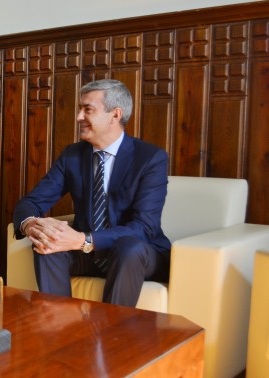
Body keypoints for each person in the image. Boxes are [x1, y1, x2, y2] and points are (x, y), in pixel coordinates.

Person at [12, 79, 171, 307]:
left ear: (115, 115)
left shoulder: (150, 158)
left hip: (137, 254)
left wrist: (84, 240)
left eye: (88, 110)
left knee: (128, 247)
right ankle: (60, 331)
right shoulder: (72, 155)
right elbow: (31, 201)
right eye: (80, 109)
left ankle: (112, 337)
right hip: (88, 255)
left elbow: (144, 227)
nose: (78, 117)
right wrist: (30, 224)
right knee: (48, 245)